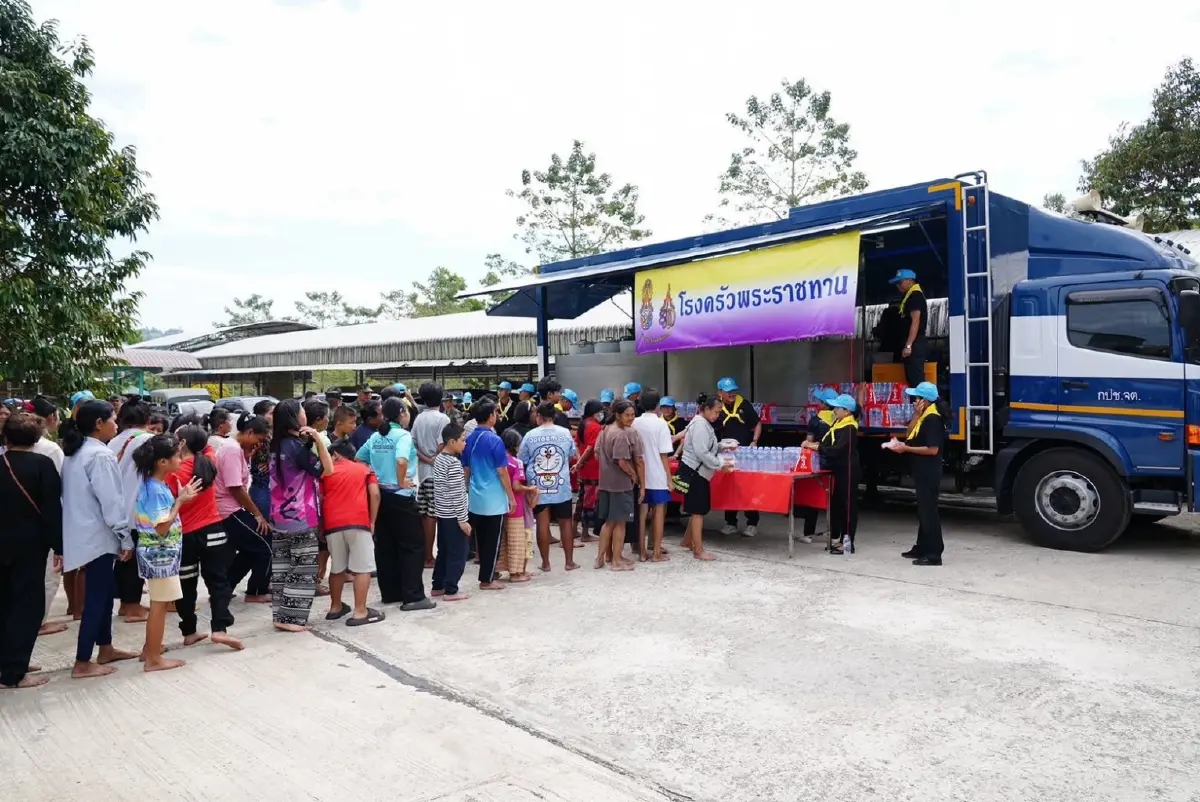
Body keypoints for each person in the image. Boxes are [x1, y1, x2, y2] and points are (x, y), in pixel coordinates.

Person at [60, 400, 139, 678]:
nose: (116, 425)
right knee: (96, 597)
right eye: (113, 419)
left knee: (104, 594)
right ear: (98, 424)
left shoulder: (74, 452)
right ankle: (83, 661)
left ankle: (105, 648)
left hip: (83, 534)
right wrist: (125, 538)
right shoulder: (99, 455)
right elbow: (112, 502)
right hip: (99, 536)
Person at [0, 412, 63, 689]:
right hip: (30, 545)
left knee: (4, 603)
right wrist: (59, 546)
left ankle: (11, 662)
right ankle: (15, 672)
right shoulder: (42, 464)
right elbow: (51, 509)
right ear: (37, 437)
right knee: (27, 607)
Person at [356, 397, 434, 610]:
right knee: (412, 546)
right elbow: (401, 460)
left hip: (380, 496)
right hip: (401, 496)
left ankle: (391, 593)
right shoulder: (403, 436)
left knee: (386, 547)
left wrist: (375, 476)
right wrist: (400, 480)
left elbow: (359, 458)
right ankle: (413, 596)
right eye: (407, 411)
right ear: (401, 413)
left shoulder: (376, 437)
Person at [132, 434, 200, 672]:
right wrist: (180, 501)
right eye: (176, 456)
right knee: (159, 607)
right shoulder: (156, 489)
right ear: (162, 462)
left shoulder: (154, 486)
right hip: (160, 555)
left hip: (160, 554)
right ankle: (153, 658)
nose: (180, 459)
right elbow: (161, 527)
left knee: (159, 605)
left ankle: (150, 651)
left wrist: (180, 499)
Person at [170, 425, 241, 650]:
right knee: (218, 581)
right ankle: (219, 629)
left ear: (182, 444)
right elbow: (206, 445)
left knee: (186, 584)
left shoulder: (174, 472)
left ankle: (190, 631)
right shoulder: (208, 462)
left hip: (186, 536)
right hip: (214, 531)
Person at [268, 398, 334, 632]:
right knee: (302, 568)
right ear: (296, 418)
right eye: (303, 411)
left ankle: (280, 615)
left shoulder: (276, 444)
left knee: (282, 567)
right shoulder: (295, 447)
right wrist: (317, 439)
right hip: (300, 516)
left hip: (279, 516)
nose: (305, 414)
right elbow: (328, 469)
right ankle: (291, 619)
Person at [321, 439, 383, 625]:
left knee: (337, 568)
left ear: (337, 454)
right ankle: (360, 611)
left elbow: (321, 498)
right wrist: (372, 521)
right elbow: (375, 494)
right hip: (358, 522)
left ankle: (335, 607)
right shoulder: (364, 469)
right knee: (362, 568)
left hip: (332, 524)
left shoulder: (326, 473)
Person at [218, 415, 272, 603]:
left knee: (251, 548)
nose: (259, 443)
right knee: (265, 542)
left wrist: (247, 456)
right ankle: (257, 591)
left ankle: (225, 588)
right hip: (228, 509)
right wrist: (257, 514)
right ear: (249, 432)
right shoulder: (232, 449)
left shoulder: (237, 450)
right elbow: (235, 487)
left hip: (230, 507)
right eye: (259, 438)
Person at [108, 401, 154, 623]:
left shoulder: (113, 441)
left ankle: (126, 604)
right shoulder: (147, 440)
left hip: (118, 508)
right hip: (140, 508)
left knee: (124, 558)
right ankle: (133, 606)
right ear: (147, 419)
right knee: (135, 559)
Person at [463, 400, 516, 591]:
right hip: (493, 498)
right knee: (492, 540)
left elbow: (466, 469)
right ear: (491, 416)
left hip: (475, 496)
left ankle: (486, 574)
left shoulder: (468, 439)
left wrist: (465, 490)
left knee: (480, 539)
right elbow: (502, 472)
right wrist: (510, 497)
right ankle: (487, 578)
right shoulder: (495, 440)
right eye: (496, 413)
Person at [519, 403, 578, 572]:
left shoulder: (530, 435)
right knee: (566, 523)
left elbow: (522, 457)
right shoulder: (565, 432)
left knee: (542, 524)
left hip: (537, 487)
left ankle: (545, 563)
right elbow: (571, 455)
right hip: (561, 486)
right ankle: (569, 562)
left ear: (539, 416)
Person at [893, 382, 947, 566]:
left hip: (928, 470)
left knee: (929, 511)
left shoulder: (933, 419)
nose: (915, 401)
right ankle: (922, 546)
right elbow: (909, 434)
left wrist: (906, 448)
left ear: (925, 400)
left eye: (917, 398)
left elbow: (932, 450)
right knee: (923, 510)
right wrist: (916, 414)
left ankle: (934, 553)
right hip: (921, 470)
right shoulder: (924, 416)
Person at [803, 393, 860, 555]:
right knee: (839, 506)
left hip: (848, 470)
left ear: (847, 411)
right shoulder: (839, 423)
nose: (834, 410)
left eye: (837, 408)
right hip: (839, 470)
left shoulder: (849, 427)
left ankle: (848, 544)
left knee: (848, 508)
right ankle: (839, 539)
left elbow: (837, 450)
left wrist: (817, 447)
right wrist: (812, 444)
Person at [29, 397, 67, 636]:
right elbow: (62, 486)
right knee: (49, 574)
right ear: (51, 418)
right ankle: (38, 621)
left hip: (21, 520)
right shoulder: (49, 449)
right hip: (47, 520)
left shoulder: (10, 447)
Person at [677, 394, 729, 561]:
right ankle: (698, 550)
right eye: (715, 411)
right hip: (696, 472)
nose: (717, 415)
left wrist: (722, 446)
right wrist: (720, 464)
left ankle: (687, 541)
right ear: (705, 409)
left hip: (698, 471)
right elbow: (701, 452)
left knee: (696, 510)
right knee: (698, 511)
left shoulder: (702, 423)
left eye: (719, 412)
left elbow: (707, 446)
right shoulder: (700, 425)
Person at [594, 400, 642, 571]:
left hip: (606, 482)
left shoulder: (605, 430)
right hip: (620, 484)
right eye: (627, 415)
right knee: (620, 523)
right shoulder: (620, 435)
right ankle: (616, 561)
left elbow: (597, 453)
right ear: (618, 415)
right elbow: (621, 460)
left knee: (609, 522)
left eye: (633, 414)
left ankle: (601, 558)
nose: (631, 418)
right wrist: (633, 474)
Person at [714, 377, 762, 537]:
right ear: (720, 392)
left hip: (745, 453)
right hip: (726, 453)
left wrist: (754, 441)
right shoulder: (716, 407)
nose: (732, 394)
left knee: (747, 487)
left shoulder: (744, 405)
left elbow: (757, 424)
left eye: (734, 390)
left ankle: (752, 523)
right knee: (729, 487)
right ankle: (730, 522)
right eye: (728, 391)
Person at [631, 389, 673, 562]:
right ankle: (656, 552)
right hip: (657, 475)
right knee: (658, 514)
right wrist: (669, 479)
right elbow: (664, 455)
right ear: (657, 406)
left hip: (640, 476)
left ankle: (641, 553)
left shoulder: (634, 422)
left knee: (642, 514)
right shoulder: (661, 424)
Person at [431, 423, 471, 601]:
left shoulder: (439, 459)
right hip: (454, 515)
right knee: (458, 554)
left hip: (442, 513)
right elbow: (457, 494)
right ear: (452, 441)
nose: (465, 444)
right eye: (462, 440)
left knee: (444, 551)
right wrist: (463, 521)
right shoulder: (454, 464)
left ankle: (437, 585)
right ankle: (451, 590)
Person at [412, 382, 450, 570]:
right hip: (438, 473)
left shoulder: (419, 418)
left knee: (425, 515)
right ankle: (429, 556)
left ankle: (425, 553)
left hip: (423, 473)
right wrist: (434, 458)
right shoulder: (442, 419)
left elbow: (413, 445)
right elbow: (444, 444)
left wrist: (426, 459)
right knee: (435, 516)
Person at [798, 388, 838, 543]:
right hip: (835, 463)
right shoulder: (839, 419)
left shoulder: (815, 420)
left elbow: (808, 442)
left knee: (813, 498)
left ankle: (808, 534)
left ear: (823, 404)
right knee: (833, 499)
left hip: (819, 463)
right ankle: (834, 534)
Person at [302, 398, 333, 594]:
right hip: (317, 494)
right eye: (327, 418)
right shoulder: (322, 440)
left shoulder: (296, 438)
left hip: (300, 496)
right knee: (319, 541)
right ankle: (315, 580)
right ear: (320, 420)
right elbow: (328, 470)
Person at [500, 428, 536, 582]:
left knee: (503, 541)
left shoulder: (498, 461)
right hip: (516, 507)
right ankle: (516, 573)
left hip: (500, 505)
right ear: (515, 446)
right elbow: (516, 486)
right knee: (517, 541)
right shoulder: (517, 463)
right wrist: (530, 488)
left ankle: (501, 569)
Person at [889, 268, 929, 388]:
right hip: (913, 343)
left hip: (915, 344)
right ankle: (917, 405)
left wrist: (908, 345)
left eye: (899, 282)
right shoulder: (910, 296)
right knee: (912, 380)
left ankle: (926, 405)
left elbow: (915, 322)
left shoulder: (915, 296)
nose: (898, 286)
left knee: (917, 381)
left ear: (909, 280)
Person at [572, 399, 605, 543]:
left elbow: (577, 444)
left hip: (584, 469)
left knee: (582, 498)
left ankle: (574, 528)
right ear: (595, 412)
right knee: (589, 502)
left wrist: (579, 463)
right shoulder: (596, 427)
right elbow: (591, 448)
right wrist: (581, 462)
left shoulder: (582, 424)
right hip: (593, 468)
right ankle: (585, 533)